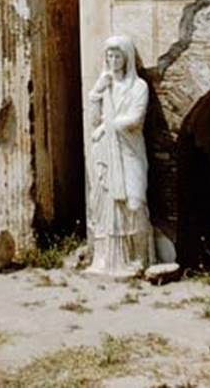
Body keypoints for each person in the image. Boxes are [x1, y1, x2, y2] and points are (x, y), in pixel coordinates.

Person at [85, 35, 154, 277]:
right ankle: (107, 259)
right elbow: (94, 119)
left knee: (134, 201)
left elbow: (135, 119)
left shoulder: (138, 87)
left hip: (129, 149)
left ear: (127, 58)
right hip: (106, 150)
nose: (113, 60)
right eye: (109, 56)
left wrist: (109, 125)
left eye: (117, 56)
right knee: (107, 204)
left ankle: (139, 257)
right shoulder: (105, 86)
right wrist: (96, 91)